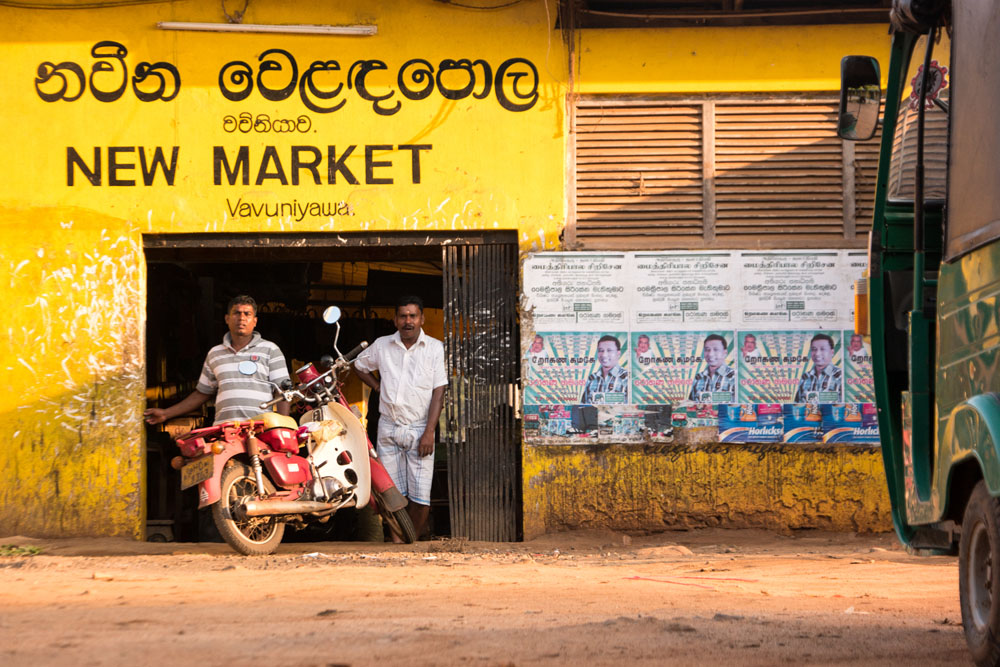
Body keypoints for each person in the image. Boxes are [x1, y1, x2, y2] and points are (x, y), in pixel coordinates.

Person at [354, 295, 447, 542]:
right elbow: (360, 366)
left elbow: (439, 392)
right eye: (403, 316)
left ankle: (411, 542)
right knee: (390, 494)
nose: (408, 321)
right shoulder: (382, 345)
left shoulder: (435, 348)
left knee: (421, 495)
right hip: (389, 427)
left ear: (422, 319)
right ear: (395, 320)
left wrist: (430, 431)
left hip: (420, 428)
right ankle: (398, 542)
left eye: (413, 316)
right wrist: (377, 386)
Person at [144, 295, 290, 426]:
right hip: (224, 431)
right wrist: (165, 413)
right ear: (227, 319)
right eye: (236, 313)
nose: (241, 318)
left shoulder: (270, 350)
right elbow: (202, 393)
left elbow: (284, 392)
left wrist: (284, 428)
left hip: (260, 429)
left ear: (255, 321)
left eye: (247, 314)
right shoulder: (215, 354)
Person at [793, 333, 843, 403]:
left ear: (832, 352)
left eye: (822, 349)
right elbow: (797, 404)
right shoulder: (805, 377)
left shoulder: (841, 376)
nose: (817, 353)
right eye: (814, 349)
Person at [580, 334, 629, 404]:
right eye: (601, 350)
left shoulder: (627, 378)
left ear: (618, 354)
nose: (604, 355)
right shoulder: (591, 379)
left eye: (609, 350)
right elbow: (583, 405)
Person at [687, 333, 735, 402]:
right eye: (707, 349)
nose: (710, 354)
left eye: (716, 349)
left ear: (725, 353)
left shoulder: (734, 377)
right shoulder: (698, 378)